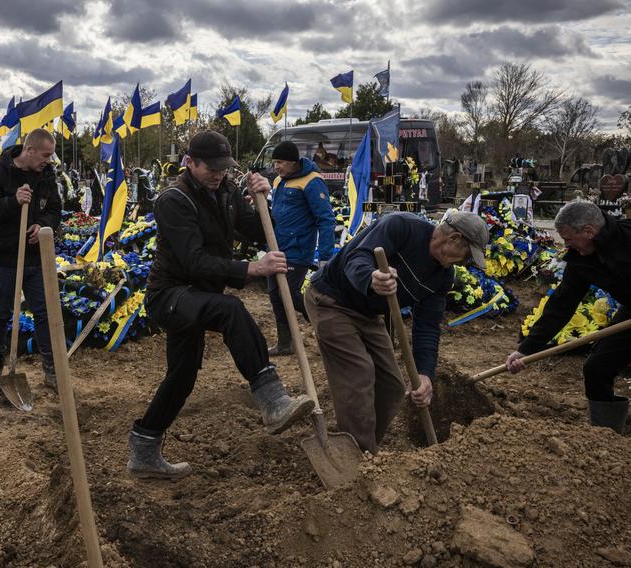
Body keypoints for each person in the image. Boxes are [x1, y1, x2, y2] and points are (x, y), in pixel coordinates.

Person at [128, 131, 315, 479]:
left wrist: (264, 199)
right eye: (210, 168)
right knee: (231, 309)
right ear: (190, 162)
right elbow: (192, 261)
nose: (217, 174)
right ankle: (272, 399)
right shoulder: (174, 199)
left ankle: (144, 449)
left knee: (181, 377)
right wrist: (252, 269)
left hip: (201, 295)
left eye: (223, 168)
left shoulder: (227, 192)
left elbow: (261, 231)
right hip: (171, 295)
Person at [304, 211, 489, 453]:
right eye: (466, 256)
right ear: (454, 239)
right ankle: (359, 458)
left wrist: (424, 374)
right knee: (359, 373)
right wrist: (372, 278)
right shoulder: (401, 227)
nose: (464, 263)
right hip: (332, 299)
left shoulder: (442, 277)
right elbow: (357, 257)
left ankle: (364, 448)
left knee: (391, 386)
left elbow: (428, 326)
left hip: (368, 314)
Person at [505, 200, 631, 434]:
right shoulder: (581, 259)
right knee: (597, 367)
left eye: (569, 239)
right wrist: (527, 348)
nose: (566, 245)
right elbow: (562, 304)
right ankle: (607, 437)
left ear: (589, 231)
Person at [0, 128, 62, 391]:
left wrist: (41, 224)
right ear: (30, 150)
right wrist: (13, 201)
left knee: (43, 313)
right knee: (2, 311)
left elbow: (55, 210)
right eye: (45, 155)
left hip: (36, 259)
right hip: (5, 257)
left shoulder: (47, 176)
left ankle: (51, 368)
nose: (49, 160)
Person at [267, 141, 335, 356]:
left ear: (294, 162)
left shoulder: (312, 181)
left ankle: (329, 335)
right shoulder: (278, 181)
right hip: (277, 248)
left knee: (290, 294)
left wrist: (325, 256)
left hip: (298, 250)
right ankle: (285, 343)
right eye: (275, 162)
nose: (276, 167)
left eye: (281, 162)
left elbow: (326, 219)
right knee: (275, 296)